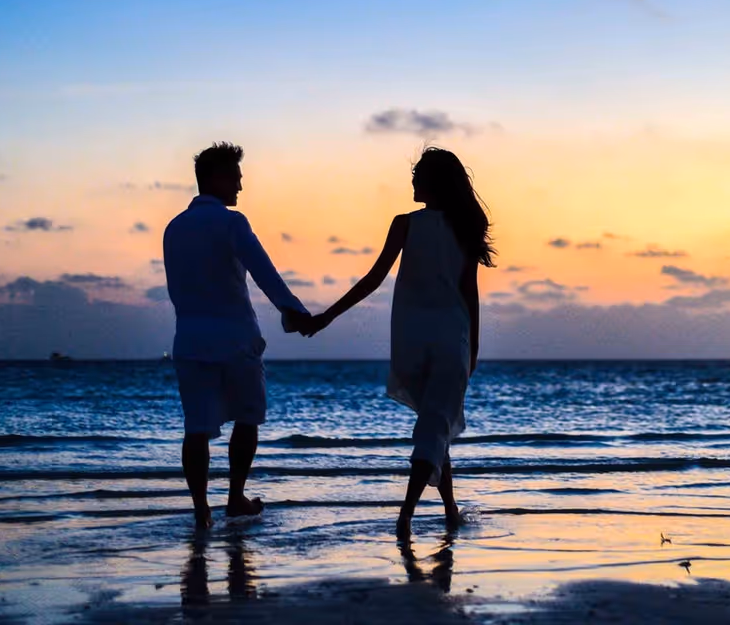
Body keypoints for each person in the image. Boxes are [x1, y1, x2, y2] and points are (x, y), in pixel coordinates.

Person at [306, 147, 494, 538]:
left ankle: (450, 510)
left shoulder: (405, 224)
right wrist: (473, 348)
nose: (411, 181)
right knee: (433, 427)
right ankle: (406, 516)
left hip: (411, 343)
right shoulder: (464, 227)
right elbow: (469, 293)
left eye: (417, 175)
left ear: (433, 182)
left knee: (434, 425)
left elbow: (373, 280)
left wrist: (327, 316)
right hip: (450, 340)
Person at [163, 141, 312, 529]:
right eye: (236, 178)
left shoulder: (173, 228)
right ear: (215, 178)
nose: (240, 187)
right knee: (247, 418)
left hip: (190, 340)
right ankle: (234, 498)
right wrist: (293, 312)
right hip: (236, 339)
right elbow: (263, 271)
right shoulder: (233, 222)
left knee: (196, 428)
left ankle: (201, 510)